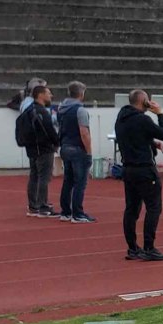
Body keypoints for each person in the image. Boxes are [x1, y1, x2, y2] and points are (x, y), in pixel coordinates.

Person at [113, 88, 163, 261]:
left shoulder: (121, 118)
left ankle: (132, 248)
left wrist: (151, 143)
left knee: (131, 209)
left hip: (128, 169)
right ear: (143, 101)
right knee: (154, 207)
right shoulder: (143, 119)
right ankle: (149, 247)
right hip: (144, 169)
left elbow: (134, 136)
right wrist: (160, 114)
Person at [16, 83, 59, 217]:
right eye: (48, 93)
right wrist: (56, 142)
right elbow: (49, 130)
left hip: (32, 148)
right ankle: (42, 206)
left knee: (34, 176)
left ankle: (34, 205)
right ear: (40, 95)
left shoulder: (29, 110)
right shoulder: (41, 112)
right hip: (43, 148)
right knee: (43, 177)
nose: (51, 95)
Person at [56, 80, 95, 223]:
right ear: (81, 93)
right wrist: (89, 151)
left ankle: (65, 212)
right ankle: (78, 213)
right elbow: (84, 132)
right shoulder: (80, 110)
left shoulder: (61, 109)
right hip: (77, 148)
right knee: (80, 182)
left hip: (65, 146)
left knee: (68, 181)